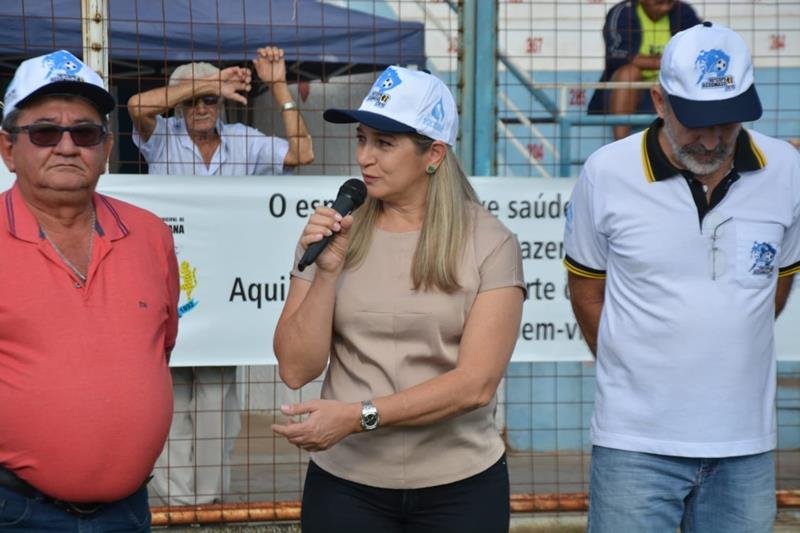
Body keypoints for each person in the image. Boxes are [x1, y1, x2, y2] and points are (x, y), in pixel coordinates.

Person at [565, 23, 800, 532]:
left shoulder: (786, 170)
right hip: (634, 446)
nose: (712, 139)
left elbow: (776, 282)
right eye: (696, 122)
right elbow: (586, 291)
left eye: (727, 122)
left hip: (745, 447)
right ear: (659, 101)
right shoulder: (607, 173)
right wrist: (633, 372)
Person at [271, 66, 526, 533]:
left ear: (434, 154)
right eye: (361, 139)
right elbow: (295, 369)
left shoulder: (490, 242)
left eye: (384, 144)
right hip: (346, 484)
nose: (364, 157)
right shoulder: (334, 232)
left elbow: (476, 384)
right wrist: (326, 274)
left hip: (461, 486)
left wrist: (359, 417)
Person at [0, 50, 179, 530]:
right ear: (8, 149)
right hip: (14, 511)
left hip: (128, 512)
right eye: (44, 132)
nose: (66, 146)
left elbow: (159, 347)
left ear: (105, 148)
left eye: (84, 133)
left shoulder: (150, 235)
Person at [127, 46, 314, 506]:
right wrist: (208, 83)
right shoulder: (164, 136)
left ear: (223, 103)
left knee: (216, 398)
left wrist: (278, 86)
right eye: (191, 99)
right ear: (179, 102)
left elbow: (303, 152)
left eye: (210, 99)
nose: (201, 108)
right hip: (170, 285)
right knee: (169, 393)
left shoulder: (244, 140)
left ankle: (207, 500)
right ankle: (176, 501)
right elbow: (135, 106)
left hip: (225, 293)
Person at [587, 0, 700, 140]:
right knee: (629, 73)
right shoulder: (623, 11)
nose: (665, 4)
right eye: (659, 2)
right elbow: (618, 55)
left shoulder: (683, 11)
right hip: (633, 91)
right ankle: (620, 144)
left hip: (670, 87)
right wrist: (668, 61)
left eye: (669, 2)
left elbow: (696, 54)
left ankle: (693, 140)